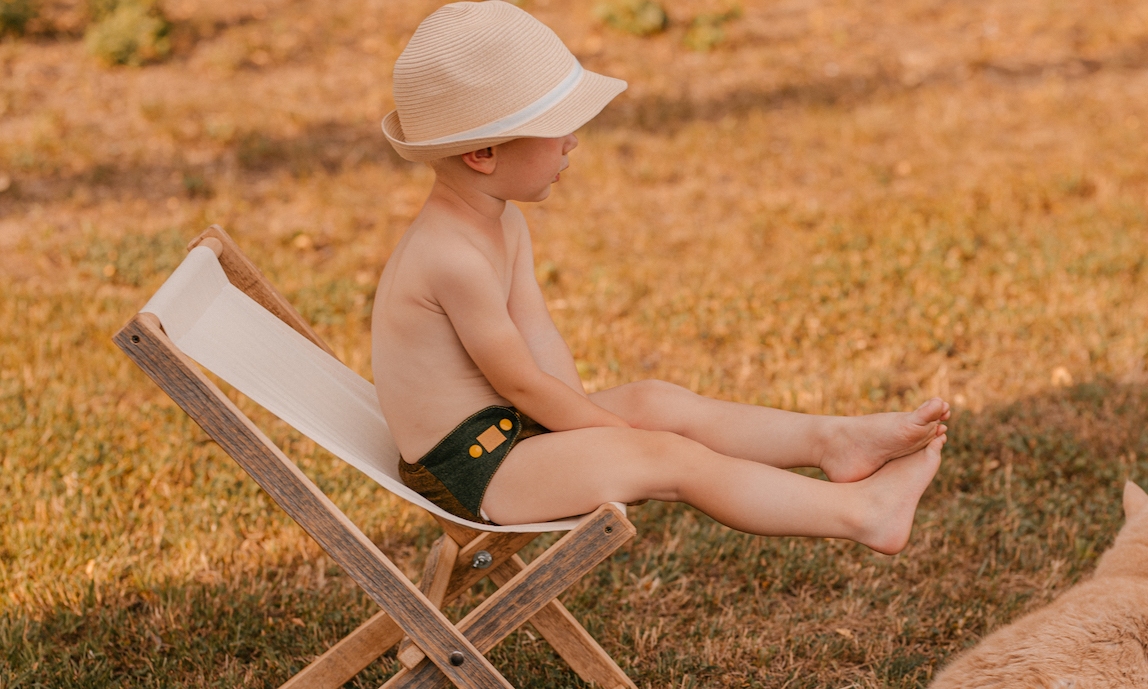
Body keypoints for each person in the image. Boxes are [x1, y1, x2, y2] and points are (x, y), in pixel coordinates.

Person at [372, 0, 947, 554]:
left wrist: (587, 427)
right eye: (559, 127)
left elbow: (539, 335)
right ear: (485, 154)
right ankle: (863, 514)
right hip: (477, 472)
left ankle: (832, 441)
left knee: (656, 401)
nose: (574, 140)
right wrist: (611, 435)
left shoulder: (504, 223)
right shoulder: (452, 258)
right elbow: (519, 382)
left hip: (511, 434)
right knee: (670, 458)